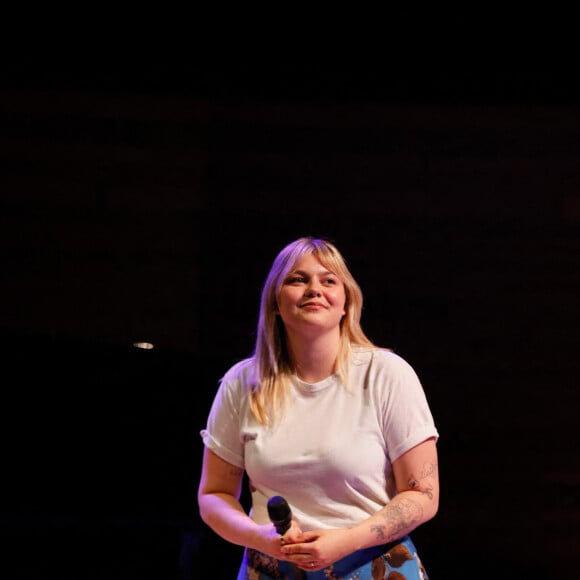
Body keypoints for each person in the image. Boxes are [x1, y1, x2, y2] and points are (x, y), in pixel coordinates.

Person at [198, 236, 439, 579]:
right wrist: (261, 537)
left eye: (329, 280)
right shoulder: (242, 383)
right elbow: (214, 494)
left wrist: (347, 540)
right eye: (298, 279)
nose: (314, 289)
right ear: (275, 304)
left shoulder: (388, 374)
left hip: (373, 565)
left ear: (345, 303)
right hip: (271, 569)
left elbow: (423, 495)